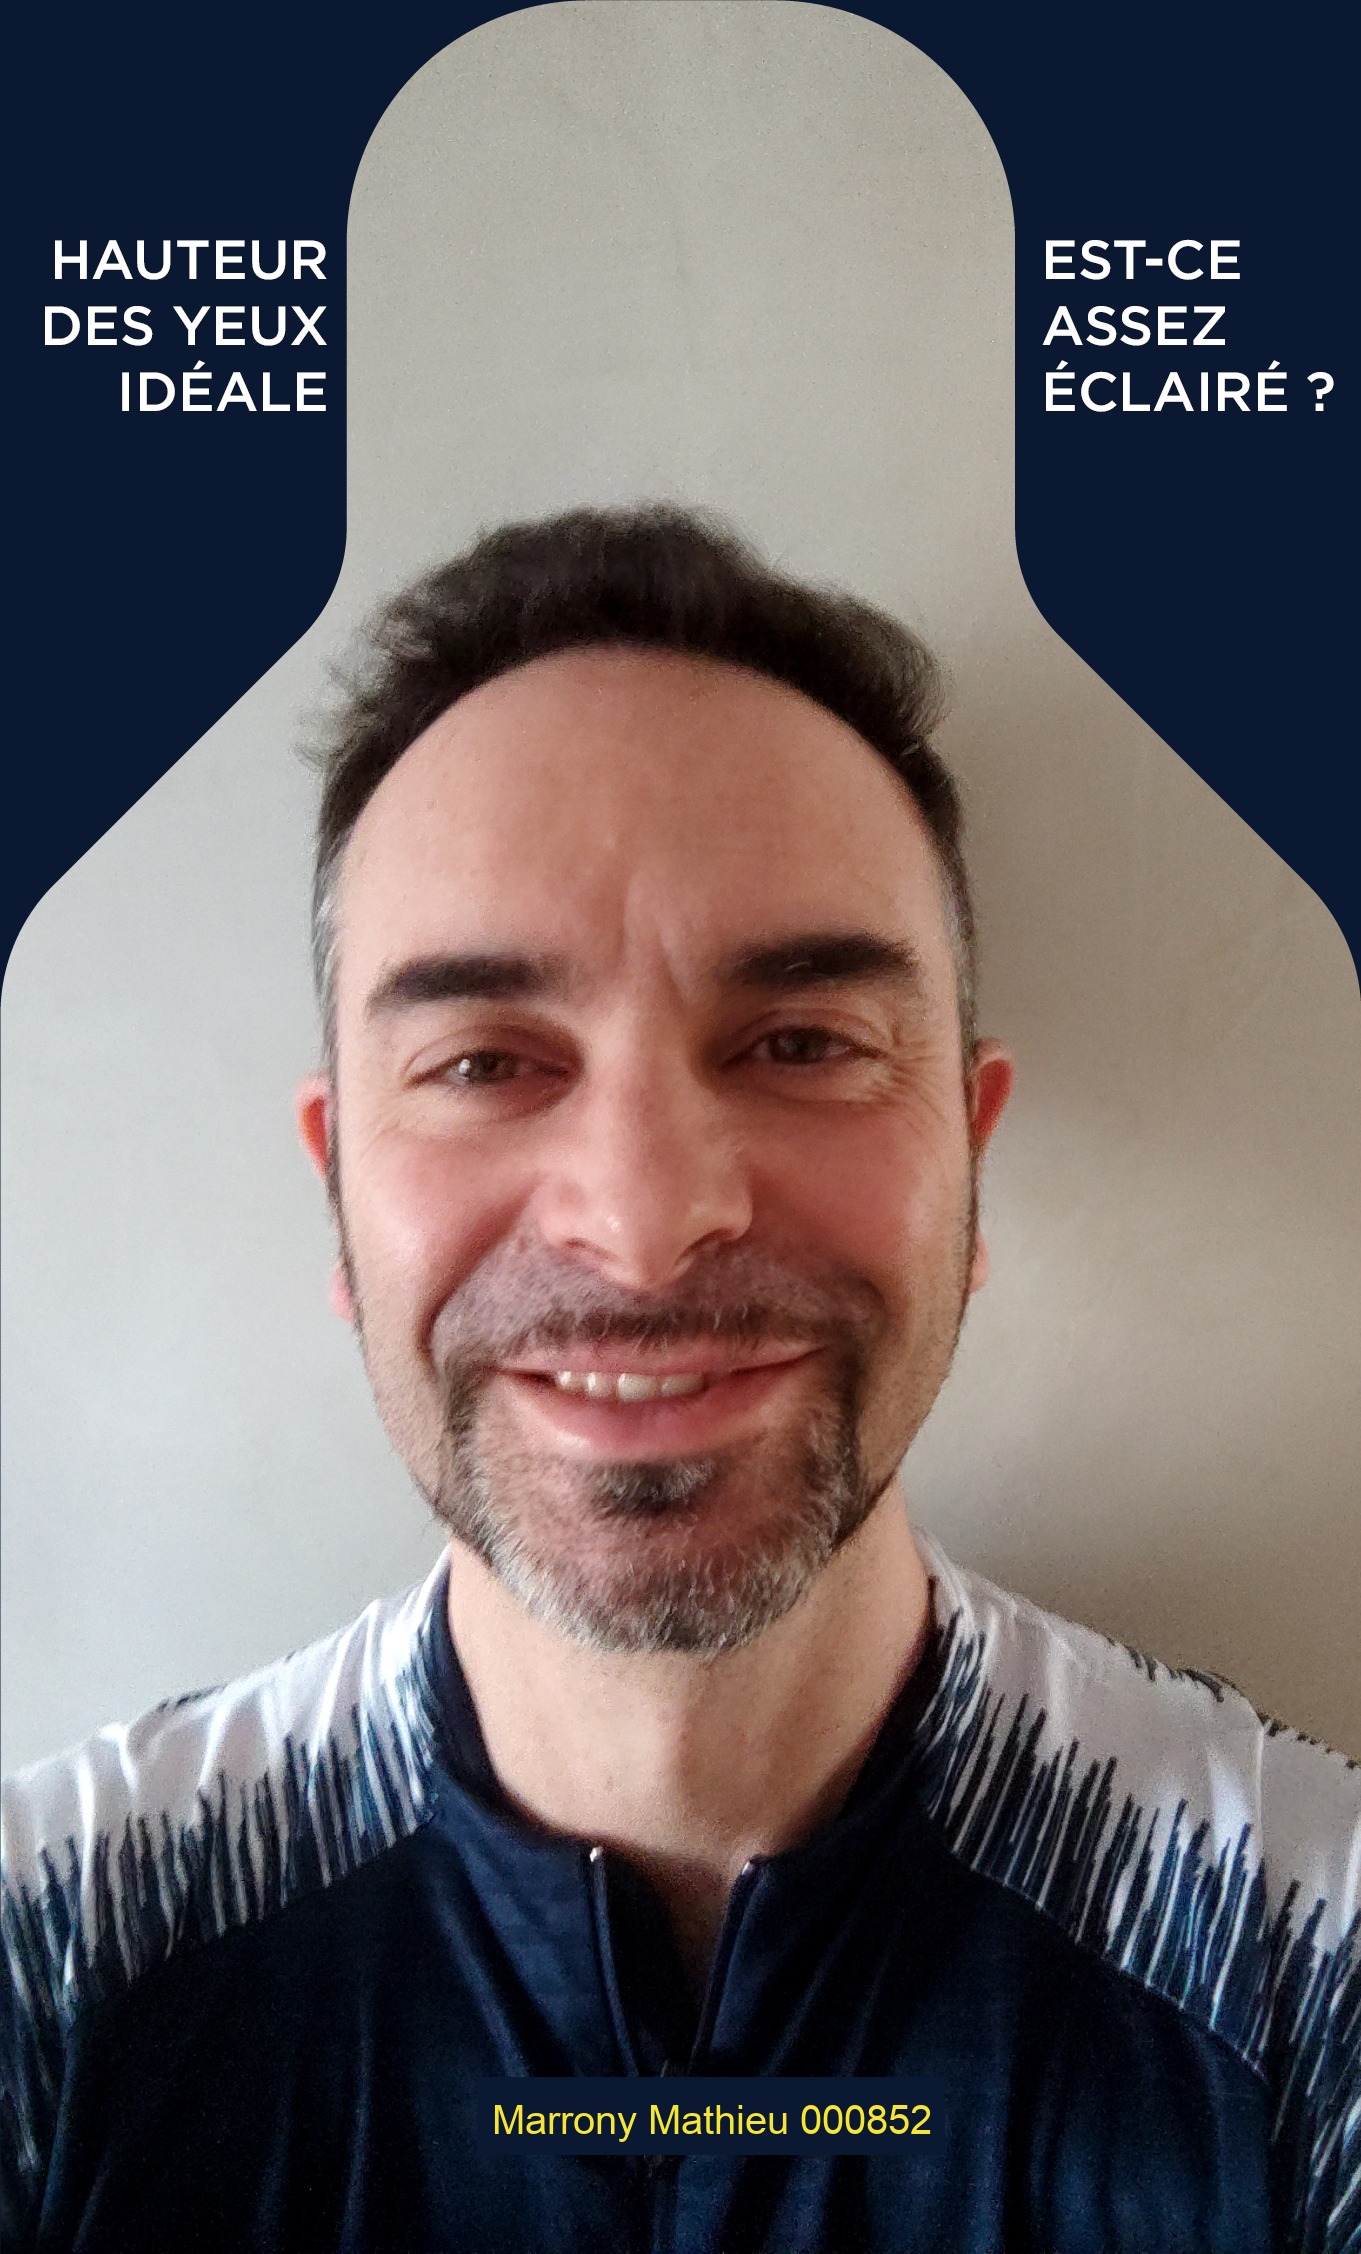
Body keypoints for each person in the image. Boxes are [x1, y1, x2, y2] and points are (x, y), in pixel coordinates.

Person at [2, 508, 1357, 2254]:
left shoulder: (1305, 1974)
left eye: (800, 1043)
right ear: (339, 1185)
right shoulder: (55, 1975)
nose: (643, 1227)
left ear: (969, 1152)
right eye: (484, 1061)